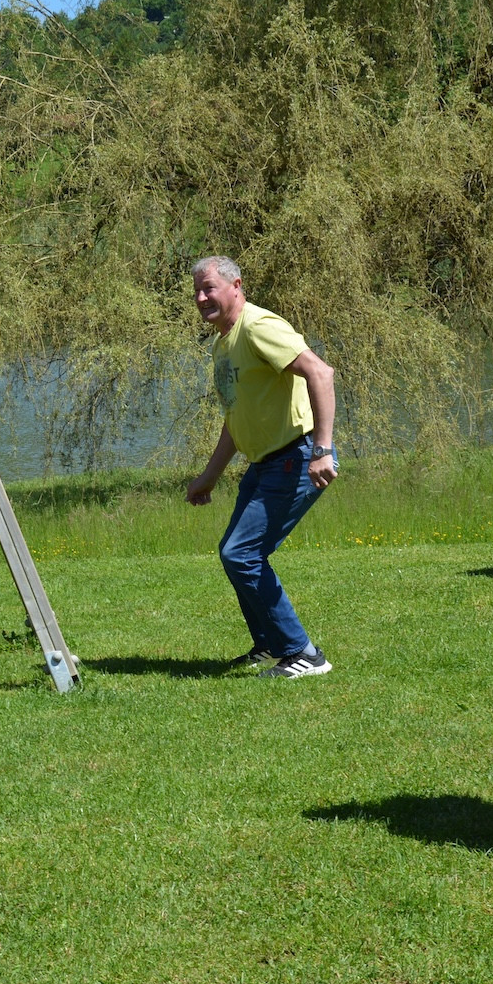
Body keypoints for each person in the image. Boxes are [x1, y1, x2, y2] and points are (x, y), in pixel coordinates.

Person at [184, 255, 339, 678]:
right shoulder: (224, 342)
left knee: (242, 554)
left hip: (295, 457)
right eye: (196, 291)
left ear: (236, 286)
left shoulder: (258, 326)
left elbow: (320, 374)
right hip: (265, 464)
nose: (200, 298)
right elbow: (237, 419)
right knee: (234, 553)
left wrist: (321, 450)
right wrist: (208, 477)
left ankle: (304, 654)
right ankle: (270, 647)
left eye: (209, 288)